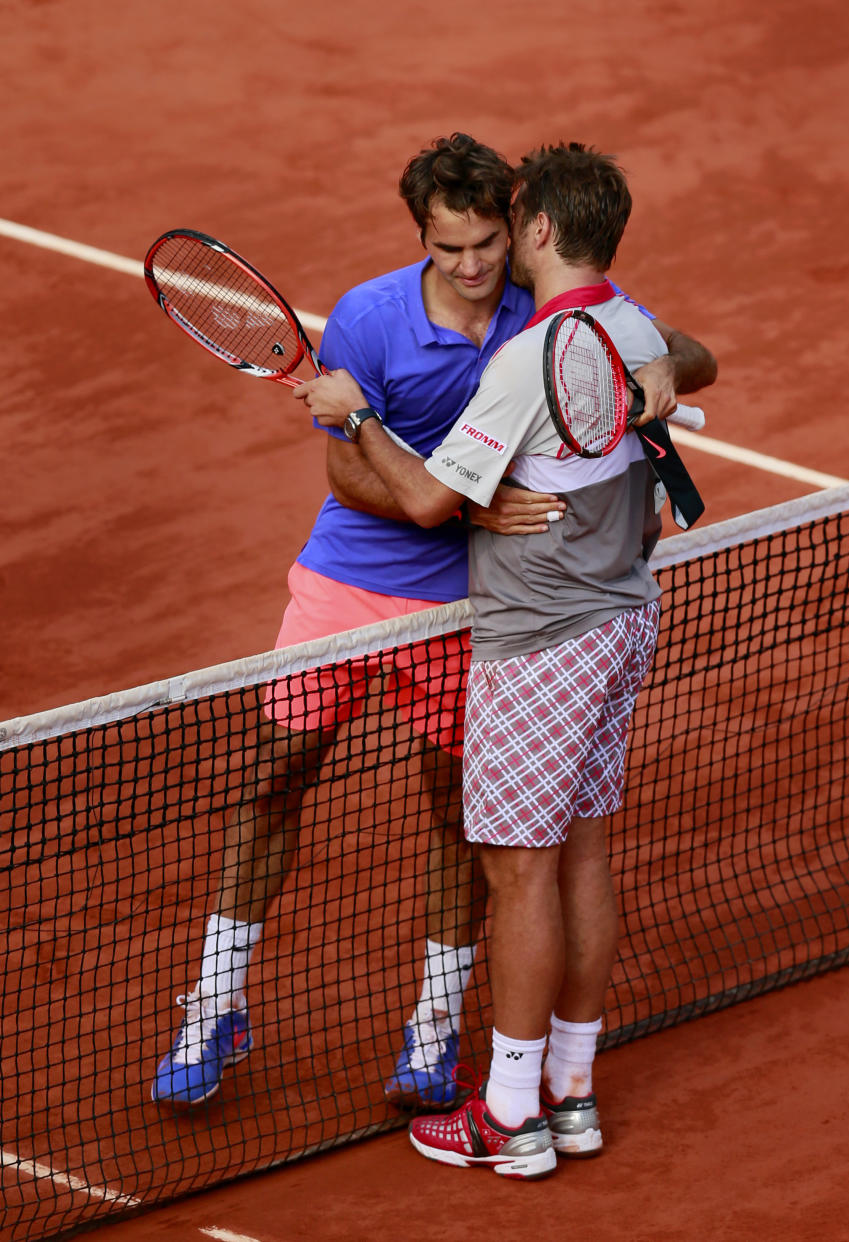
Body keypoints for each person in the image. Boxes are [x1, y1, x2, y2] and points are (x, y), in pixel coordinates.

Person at [151, 133, 716, 1114]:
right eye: (448, 247)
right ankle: (214, 1003)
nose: (470, 266)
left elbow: (684, 348)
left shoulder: (541, 312)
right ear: (421, 235)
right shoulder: (369, 319)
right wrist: (472, 504)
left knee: (460, 817)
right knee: (273, 782)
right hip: (347, 588)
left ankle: (435, 1024)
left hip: (470, 611)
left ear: (515, 228)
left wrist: (666, 368)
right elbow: (345, 471)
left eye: (487, 244)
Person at [302, 141, 717, 1178]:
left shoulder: (526, 359)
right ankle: (572, 1093)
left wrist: (353, 415)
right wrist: (673, 366)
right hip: (623, 622)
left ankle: (508, 1116)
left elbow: (432, 502)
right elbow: (689, 353)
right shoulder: (626, 327)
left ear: (536, 233)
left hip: (539, 648)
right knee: (581, 853)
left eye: (508, 225)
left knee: (518, 873)